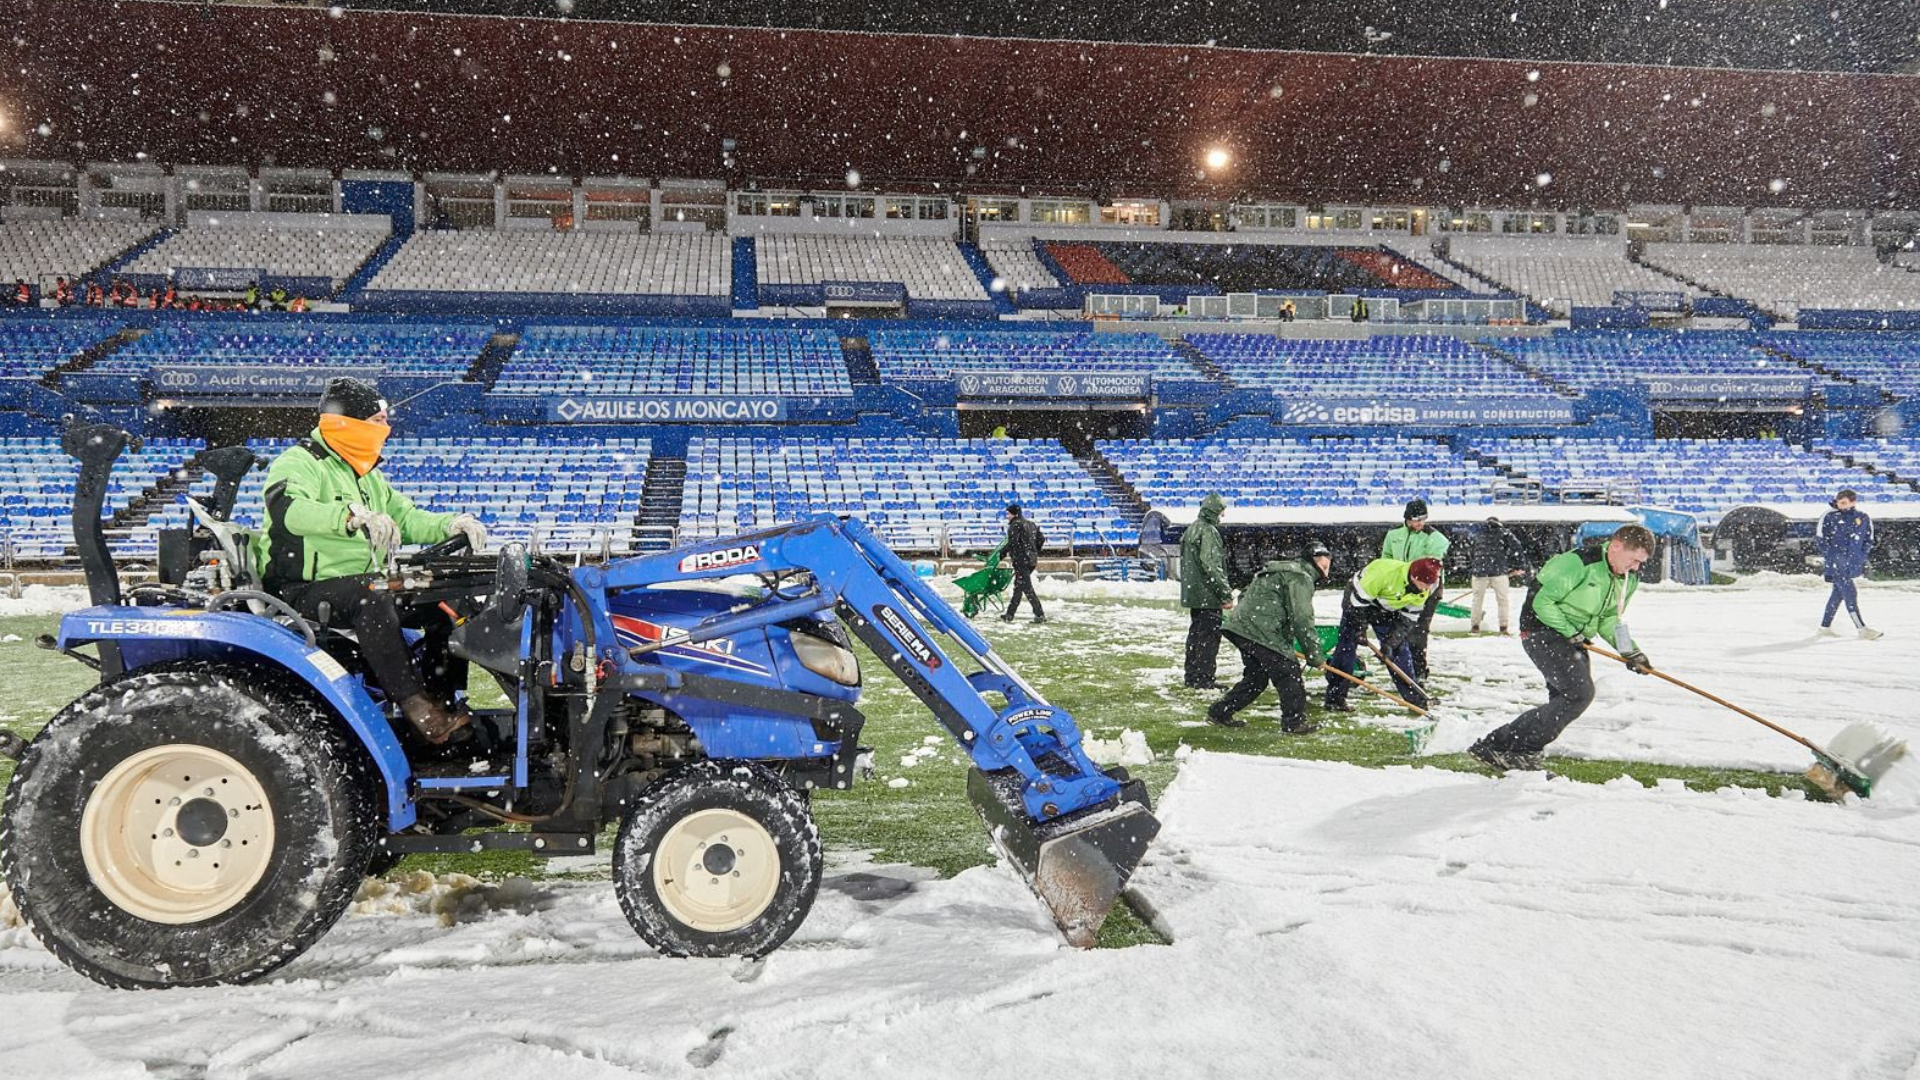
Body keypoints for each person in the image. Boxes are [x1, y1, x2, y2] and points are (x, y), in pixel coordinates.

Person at [252, 377, 489, 744]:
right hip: (303, 588)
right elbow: (288, 511)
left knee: (445, 603)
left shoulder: (366, 476)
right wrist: (348, 517)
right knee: (371, 596)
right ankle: (418, 709)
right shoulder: (300, 463)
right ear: (349, 423)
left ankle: (443, 700)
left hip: (361, 584)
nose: (386, 428)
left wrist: (450, 524)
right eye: (378, 420)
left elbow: (408, 518)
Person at [1468, 525, 1657, 772]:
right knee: (1579, 694)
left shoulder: (1627, 579)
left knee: (1563, 700)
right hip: (1541, 629)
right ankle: (1502, 745)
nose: (1635, 567)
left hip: (1573, 638)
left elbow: (1610, 619)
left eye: (1640, 563)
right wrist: (1572, 633)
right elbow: (1542, 602)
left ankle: (1517, 751)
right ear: (1616, 546)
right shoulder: (1577, 562)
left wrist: (1630, 651)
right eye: (1633, 560)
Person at [1209, 541, 1331, 733]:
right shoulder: (1300, 577)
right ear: (1312, 561)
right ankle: (1294, 723)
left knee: (1256, 678)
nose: (1326, 567)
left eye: (1328, 562)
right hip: (1260, 630)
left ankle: (1220, 712)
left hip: (1241, 627)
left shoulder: (1278, 570)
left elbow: (1243, 596)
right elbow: (1301, 618)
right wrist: (1314, 654)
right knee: (1288, 673)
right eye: (1323, 563)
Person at [1323, 556, 1441, 712]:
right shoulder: (1383, 574)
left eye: (1430, 585)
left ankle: (1415, 700)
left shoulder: (1427, 586)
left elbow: (1407, 619)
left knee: (1400, 650)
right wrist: (1360, 629)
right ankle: (1335, 698)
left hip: (1387, 609)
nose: (1427, 589)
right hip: (1357, 602)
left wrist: (1390, 644)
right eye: (1425, 584)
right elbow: (1356, 604)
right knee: (1347, 647)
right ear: (1414, 577)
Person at [1380, 499, 1450, 680]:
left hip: (1427, 587)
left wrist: (1422, 588)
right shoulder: (1393, 535)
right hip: (1400, 587)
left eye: (1423, 519)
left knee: (1418, 630)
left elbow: (1432, 568)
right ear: (1407, 519)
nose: (1420, 523)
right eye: (1416, 519)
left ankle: (1419, 670)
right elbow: (1385, 560)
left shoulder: (1436, 538)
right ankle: (1403, 667)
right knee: (1399, 628)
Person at [1179, 493, 1232, 689]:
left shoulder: (1192, 529)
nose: (1223, 516)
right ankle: (1204, 678)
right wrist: (1225, 594)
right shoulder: (1208, 531)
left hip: (1195, 595)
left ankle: (1192, 675)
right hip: (1208, 595)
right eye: (1221, 511)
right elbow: (1211, 565)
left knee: (1196, 635)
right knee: (1209, 638)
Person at [1817, 488, 1881, 639]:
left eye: (1844, 502)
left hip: (1852, 563)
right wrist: (1832, 557)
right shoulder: (1829, 516)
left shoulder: (1863, 517)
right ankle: (1862, 629)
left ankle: (1824, 627)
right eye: (1839, 502)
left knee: (1837, 595)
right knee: (1850, 593)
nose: (1840, 505)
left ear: (1853, 502)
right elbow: (1820, 539)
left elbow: (1868, 539)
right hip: (1836, 563)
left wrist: (1860, 556)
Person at [1465, 516, 1529, 634]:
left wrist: (1475, 568)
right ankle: (1503, 628)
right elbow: (1517, 548)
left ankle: (1475, 626)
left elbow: (1471, 553)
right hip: (1499, 571)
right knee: (1503, 600)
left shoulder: (1478, 534)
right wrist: (1520, 566)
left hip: (1479, 571)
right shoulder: (1504, 533)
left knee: (1477, 600)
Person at [999, 503, 1046, 624]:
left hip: (1021, 561)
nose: (1007, 516)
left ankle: (1039, 614)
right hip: (1031, 560)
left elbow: (1013, 543)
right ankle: (1009, 614)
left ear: (1014, 514)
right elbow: (1041, 539)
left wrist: (1002, 553)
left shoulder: (1015, 526)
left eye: (1008, 514)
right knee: (1019, 587)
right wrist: (1034, 551)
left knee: (1026, 588)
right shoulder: (1031, 524)